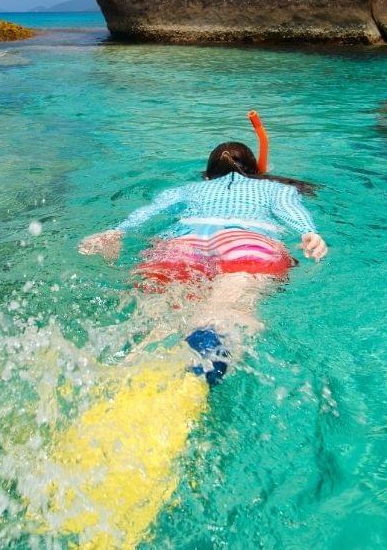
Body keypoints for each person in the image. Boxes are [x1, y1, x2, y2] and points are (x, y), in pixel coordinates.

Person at [78, 140, 326, 384]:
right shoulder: (277, 188)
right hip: (244, 243)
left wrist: (117, 231)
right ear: (257, 174)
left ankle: (126, 374)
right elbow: (290, 210)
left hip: (182, 244)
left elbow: (150, 210)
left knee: (159, 320)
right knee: (224, 312)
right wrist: (309, 232)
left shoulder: (185, 189)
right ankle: (203, 365)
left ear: (207, 177)